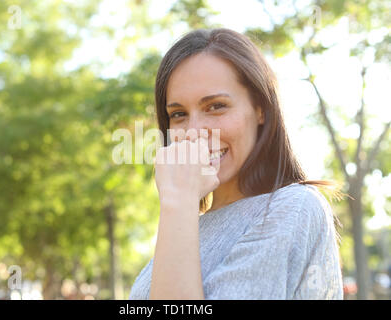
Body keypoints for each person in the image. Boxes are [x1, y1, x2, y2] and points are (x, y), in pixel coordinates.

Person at [128, 28, 344, 300]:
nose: (194, 131)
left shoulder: (293, 207)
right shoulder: (187, 225)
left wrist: (178, 201)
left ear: (260, 109)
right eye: (179, 114)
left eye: (216, 106)